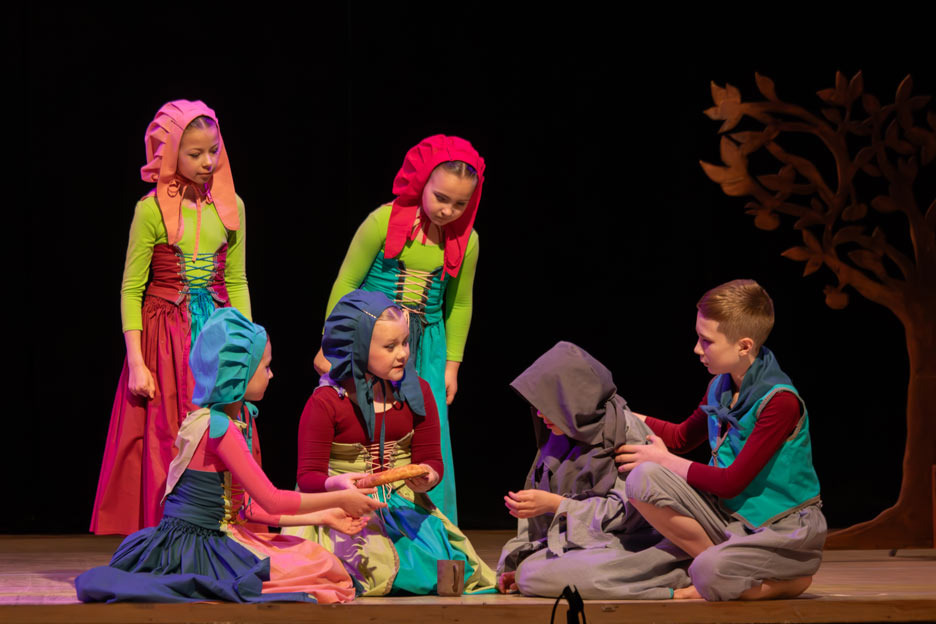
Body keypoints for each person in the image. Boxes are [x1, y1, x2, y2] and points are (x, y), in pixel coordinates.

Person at [76, 308, 385, 603]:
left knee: (312, 556)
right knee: (320, 566)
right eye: (265, 367)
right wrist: (339, 500)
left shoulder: (207, 419)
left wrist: (322, 516)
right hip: (202, 548)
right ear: (239, 373)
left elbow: (248, 509)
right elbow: (273, 500)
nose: (272, 374)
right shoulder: (221, 429)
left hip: (189, 538)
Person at [91, 100, 256, 535]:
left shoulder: (231, 206)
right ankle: (166, 533)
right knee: (168, 433)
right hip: (165, 337)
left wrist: (249, 345)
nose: (207, 162)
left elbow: (236, 281)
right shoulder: (150, 210)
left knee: (221, 431)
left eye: (213, 151)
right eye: (195, 153)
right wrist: (136, 362)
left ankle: (220, 530)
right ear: (170, 155)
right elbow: (132, 288)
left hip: (216, 331)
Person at [616, 279, 826, 601]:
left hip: (782, 527)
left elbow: (731, 482)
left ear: (743, 346)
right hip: (730, 518)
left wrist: (665, 460)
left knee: (707, 571)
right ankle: (724, 569)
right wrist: (623, 415)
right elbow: (681, 437)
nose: (697, 349)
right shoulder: (721, 386)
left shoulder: (780, 402)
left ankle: (787, 580)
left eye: (707, 340)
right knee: (642, 478)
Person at [312, 135, 485, 523]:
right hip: (372, 336)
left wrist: (452, 366)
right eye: (441, 197)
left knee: (425, 428)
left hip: (426, 344)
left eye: (460, 203)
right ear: (422, 182)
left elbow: (459, 303)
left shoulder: (466, 240)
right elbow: (347, 282)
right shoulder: (383, 221)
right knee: (363, 418)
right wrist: (330, 341)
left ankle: (428, 524)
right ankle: (354, 515)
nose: (448, 210)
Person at [286, 290, 496, 596]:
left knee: (442, 564)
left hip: (402, 506)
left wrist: (428, 476)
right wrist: (338, 486)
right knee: (352, 566)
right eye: (390, 346)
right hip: (338, 507)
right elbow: (308, 477)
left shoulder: (417, 392)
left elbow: (430, 458)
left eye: (405, 342)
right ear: (357, 348)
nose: (402, 354)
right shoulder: (327, 402)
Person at [497, 341, 693, 600]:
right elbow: (534, 518)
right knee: (523, 568)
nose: (541, 414)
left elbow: (627, 515)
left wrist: (557, 505)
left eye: (549, 404)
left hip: (631, 544)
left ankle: (669, 585)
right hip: (579, 546)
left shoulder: (626, 434)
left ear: (572, 400)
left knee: (559, 574)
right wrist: (522, 557)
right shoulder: (557, 436)